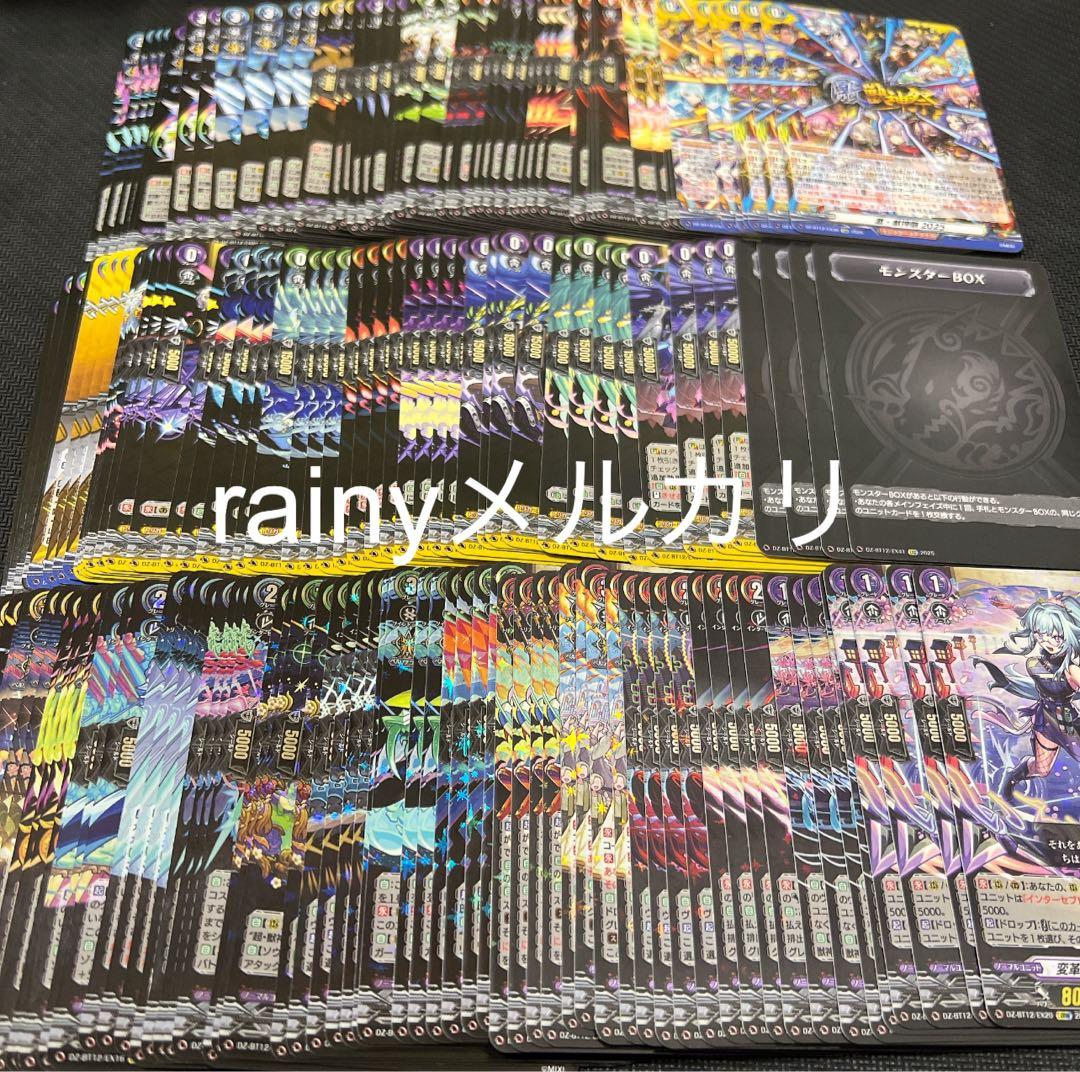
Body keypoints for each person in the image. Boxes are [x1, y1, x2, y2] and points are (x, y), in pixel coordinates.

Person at [975, 597, 1080, 802]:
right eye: (1041, 635)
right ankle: (1012, 778)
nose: (1048, 642)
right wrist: (1014, 607)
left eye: (1055, 636)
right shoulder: (1035, 662)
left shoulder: (1072, 669)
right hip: (1045, 718)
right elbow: (1036, 616)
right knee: (1041, 769)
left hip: (1069, 723)